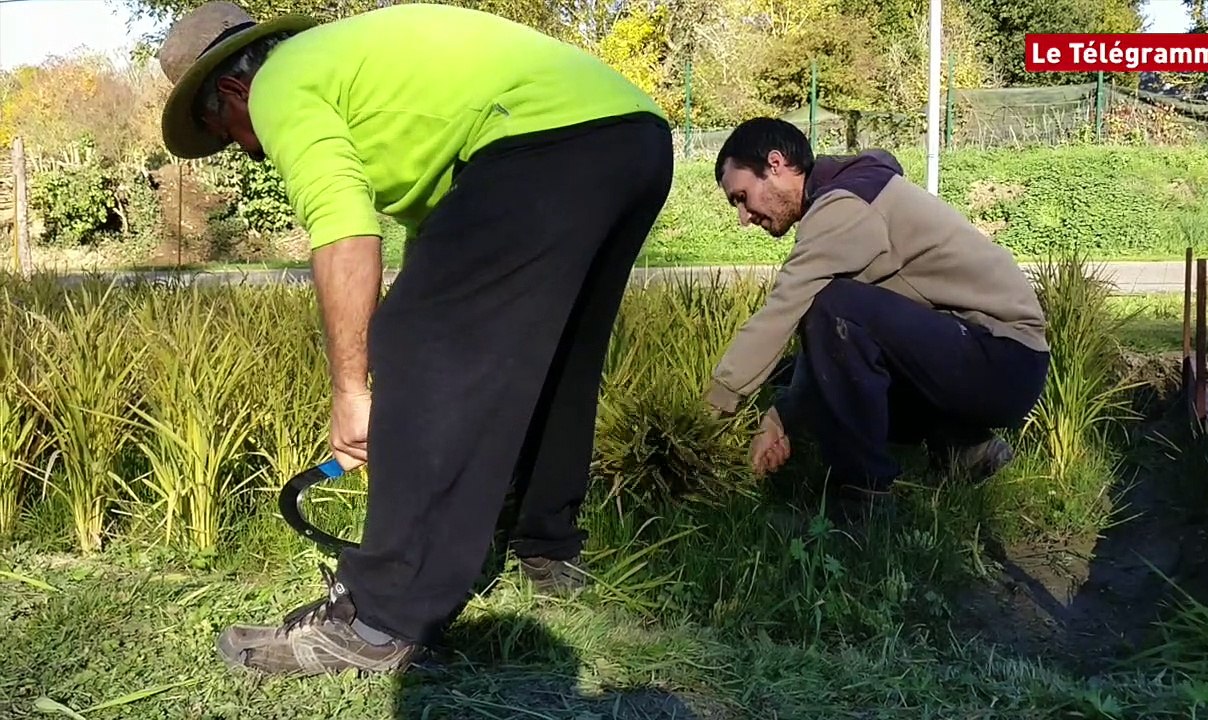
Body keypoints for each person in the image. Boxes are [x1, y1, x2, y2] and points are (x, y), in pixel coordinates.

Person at [157, 2, 673, 675]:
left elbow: (345, 231)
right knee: (558, 354)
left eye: (223, 131)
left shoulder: (280, 82)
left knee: (411, 340)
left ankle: (381, 620)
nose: (244, 149)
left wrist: (351, 389)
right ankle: (546, 549)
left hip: (546, 144)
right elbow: (444, 231)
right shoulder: (355, 63)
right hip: (633, 138)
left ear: (230, 90)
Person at [703, 118, 1050, 505]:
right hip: (977, 355)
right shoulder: (847, 197)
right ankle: (962, 446)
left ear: (776, 164)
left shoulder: (845, 206)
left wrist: (713, 409)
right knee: (809, 358)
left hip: (1004, 360)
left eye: (741, 197)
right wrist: (778, 418)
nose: (743, 218)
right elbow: (824, 344)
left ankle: (862, 497)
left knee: (833, 307)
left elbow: (786, 308)